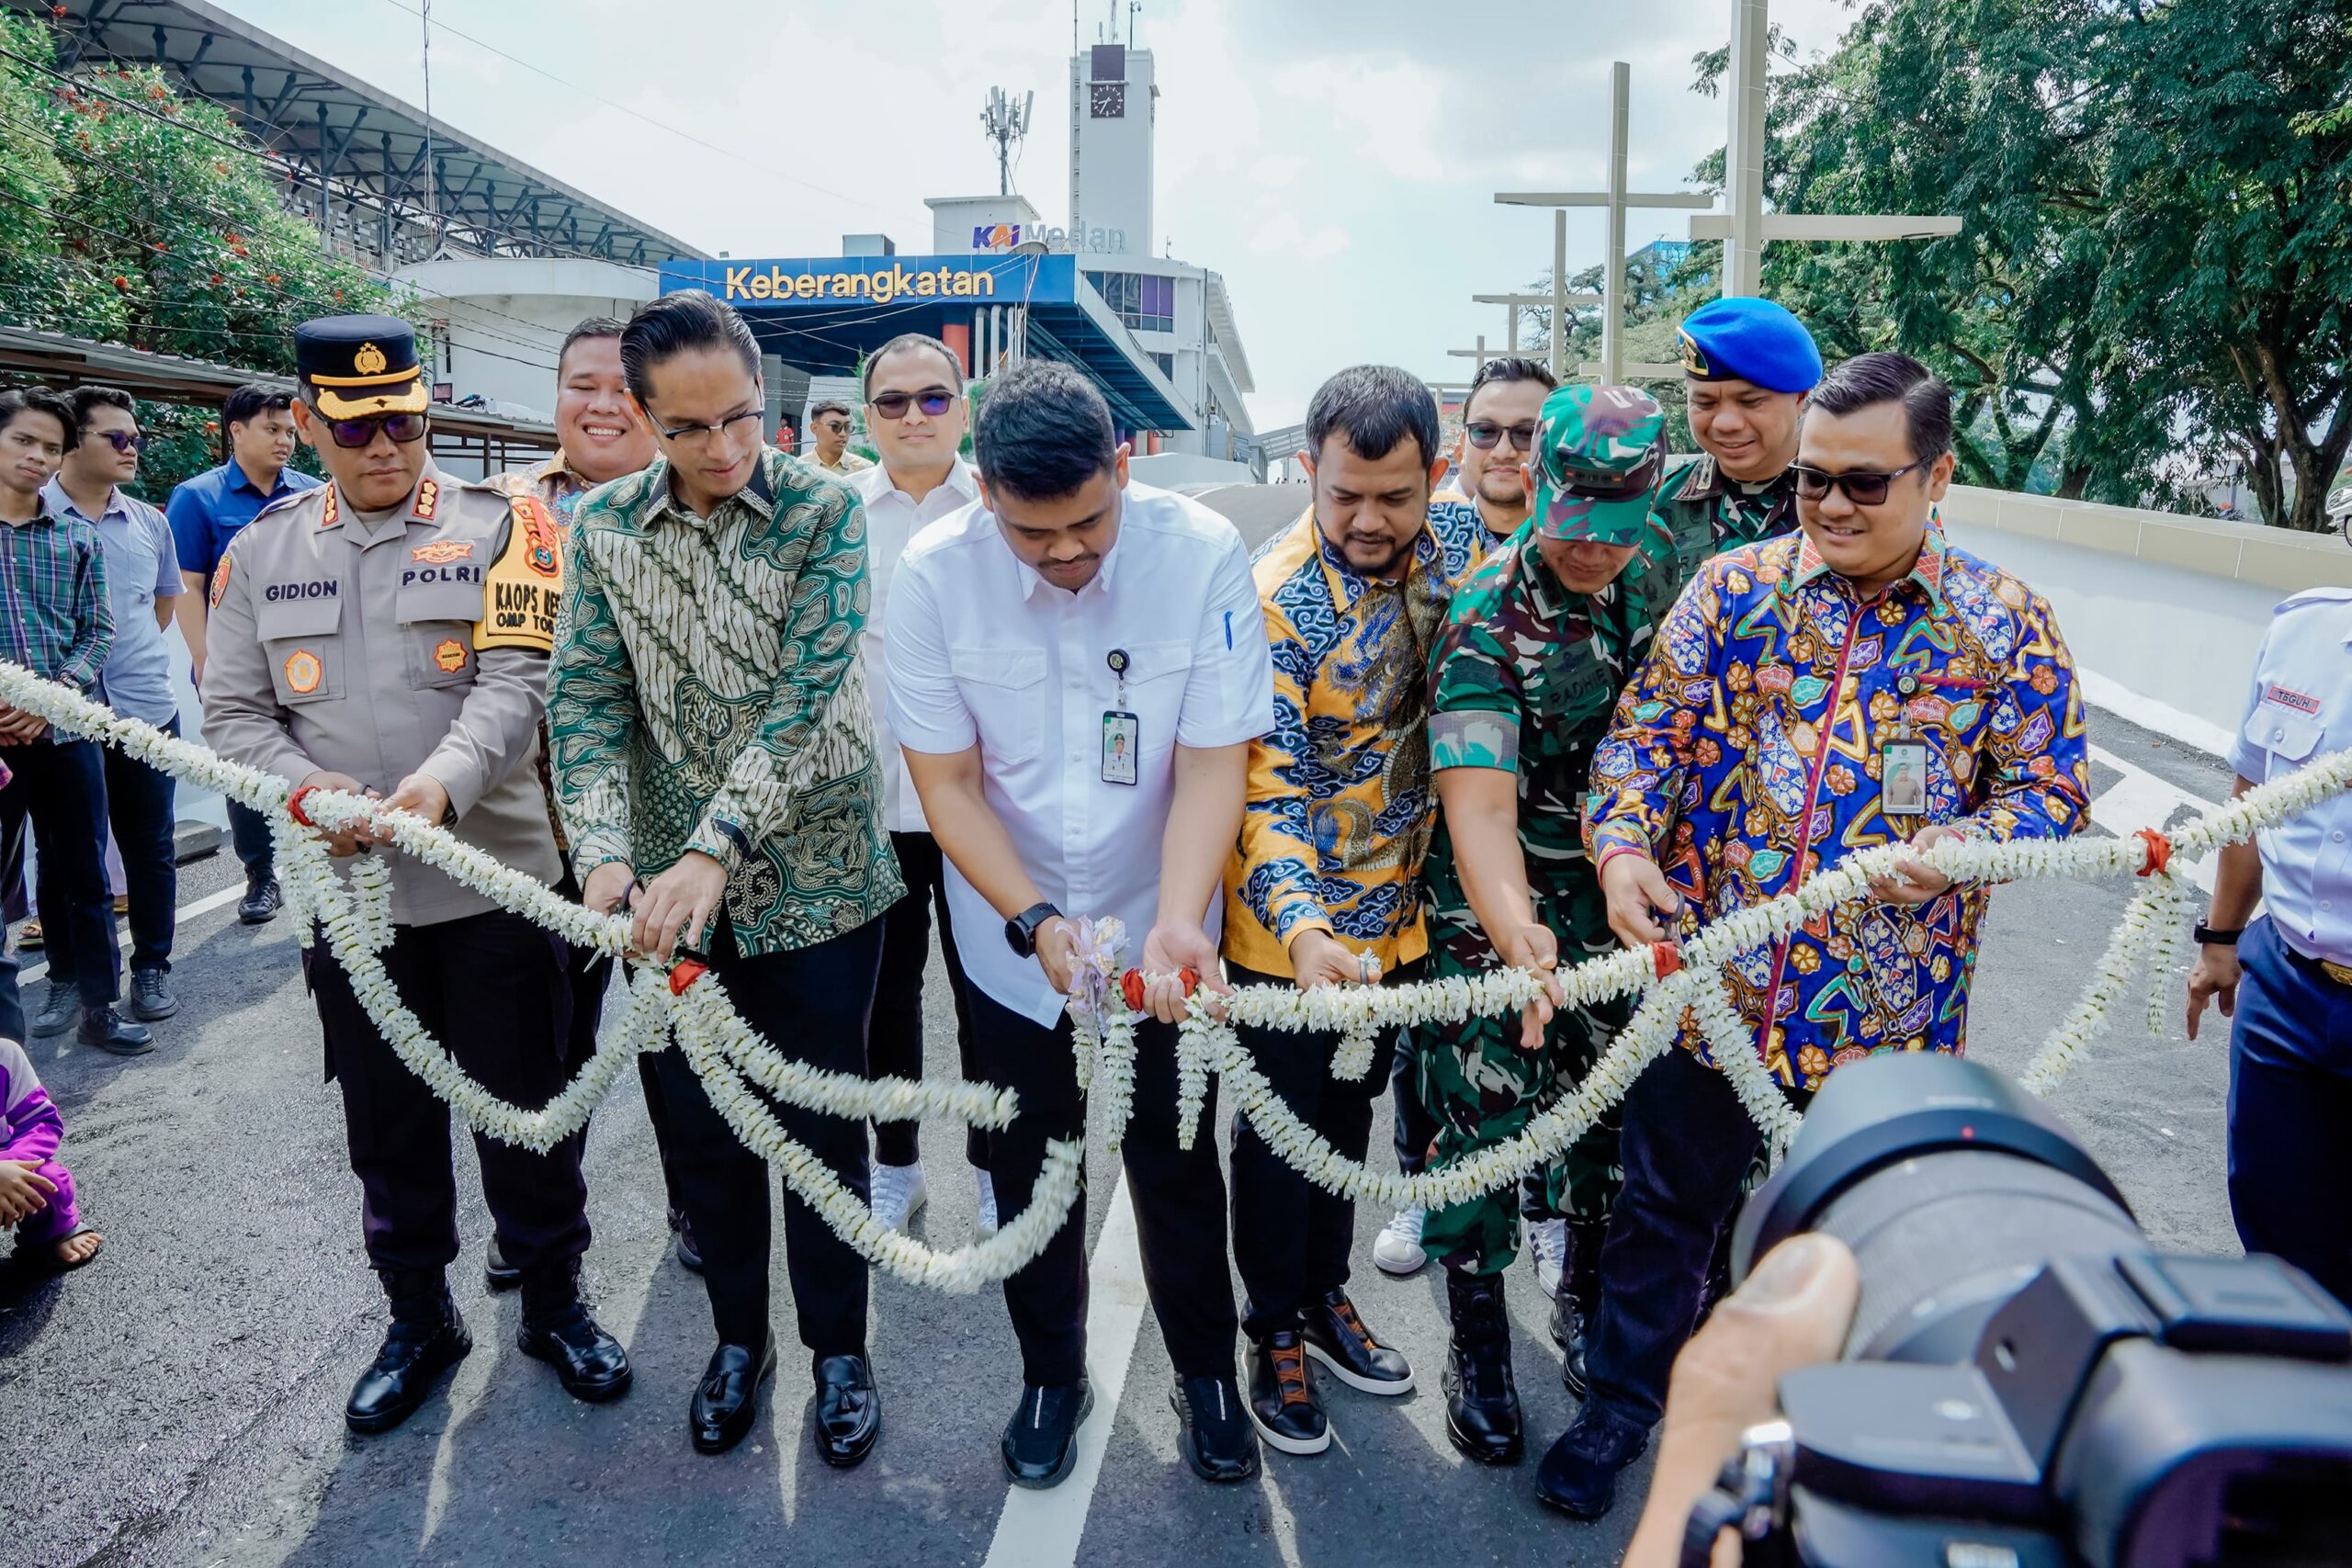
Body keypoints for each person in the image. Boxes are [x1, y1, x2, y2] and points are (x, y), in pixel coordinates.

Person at [1556, 352, 2091, 1518]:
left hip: (1885, 1023)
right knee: (1662, 1211)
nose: (1833, 507)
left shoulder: (2002, 624)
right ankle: (1621, 1409)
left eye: (1865, 483)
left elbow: (2053, 796)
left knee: (1849, 1245)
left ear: (1937, 474)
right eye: (1812, 484)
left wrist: (1967, 844)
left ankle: (1834, 1461)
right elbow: (1640, 741)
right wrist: (1625, 849)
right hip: (1711, 992)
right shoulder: (1732, 592)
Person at [202, 316, 629, 1435]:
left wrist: (435, 790)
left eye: (401, 418)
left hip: (492, 882)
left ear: (425, 413)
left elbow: (516, 684)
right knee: (386, 1129)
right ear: (307, 423)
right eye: (354, 425)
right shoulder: (264, 551)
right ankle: (419, 1318)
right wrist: (311, 794)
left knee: (525, 1113)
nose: (383, 443)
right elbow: (235, 716)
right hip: (350, 903)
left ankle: (551, 1303)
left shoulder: (510, 526)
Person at [886, 360, 1274, 1489]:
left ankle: (1207, 1375)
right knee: (1030, 1161)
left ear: (1123, 466)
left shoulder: (1198, 555)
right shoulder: (933, 574)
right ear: (986, 495)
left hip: (1162, 916)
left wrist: (1181, 921)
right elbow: (947, 784)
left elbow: (1212, 761)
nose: (1064, 555)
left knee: (1175, 1151)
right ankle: (1051, 1374)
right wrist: (1033, 920)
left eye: (1087, 527)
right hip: (1013, 933)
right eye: (1032, 534)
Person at [547, 290, 900, 1464]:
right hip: (659, 896)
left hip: (816, 875)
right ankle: (738, 1339)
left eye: (740, 418)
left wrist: (714, 846)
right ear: (641, 418)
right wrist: (602, 854)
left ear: (770, 396)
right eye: (688, 429)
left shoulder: (825, 509)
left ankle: (839, 1351)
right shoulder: (599, 526)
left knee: (818, 1124)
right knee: (699, 1131)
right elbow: (586, 699)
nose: (722, 449)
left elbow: (807, 700)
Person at [1411, 383, 1679, 1469]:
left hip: (1617, 890)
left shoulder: (1655, 566)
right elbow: (1476, 812)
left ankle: (1580, 1290)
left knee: (1606, 1118)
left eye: (1613, 536)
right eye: (1577, 529)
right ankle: (1476, 1341)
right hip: (1497, 896)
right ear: (1538, 482)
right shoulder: (1484, 614)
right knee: (1481, 1121)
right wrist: (1520, 936)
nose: (1592, 556)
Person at [1222, 365, 1481, 1456]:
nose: (1369, 522)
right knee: (1281, 1142)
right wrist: (1306, 932)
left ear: (1438, 474)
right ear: (1307, 474)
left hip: (1402, 926)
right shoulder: (1273, 600)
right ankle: (1270, 1328)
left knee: (1348, 1126)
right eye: (1344, 497)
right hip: (1290, 938)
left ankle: (1323, 1297)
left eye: (1395, 496)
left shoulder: (1460, 556)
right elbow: (1264, 787)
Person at [488, 316, 697, 1282]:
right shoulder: (493, 513)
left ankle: (698, 1202)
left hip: (663, 838)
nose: (603, 403)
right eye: (583, 384)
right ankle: (535, 1229)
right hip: (527, 834)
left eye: (624, 387)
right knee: (538, 1047)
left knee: (674, 1036)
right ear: (555, 397)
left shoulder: (706, 509)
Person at [1372, 355, 1562, 1285]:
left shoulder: (1593, 546)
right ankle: (1423, 1185)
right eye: (1485, 431)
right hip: (1429, 838)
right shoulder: (1424, 543)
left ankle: (1548, 1202)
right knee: (1435, 1036)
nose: (1504, 450)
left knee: (1553, 1031)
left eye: (1526, 433)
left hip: (1555, 839)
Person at [2187, 559, 2352, 1310]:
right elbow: (2251, 801)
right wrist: (2220, 938)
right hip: (2285, 986)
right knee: (2277, 1229)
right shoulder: (2302, 627)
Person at [850, 334, 988, 1234]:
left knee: (990, 996)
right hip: (872, 805)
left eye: (932, 399)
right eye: (893, 402)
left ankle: (990, 1166)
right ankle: (895, 1162)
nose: (913, 417)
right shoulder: (833, 517)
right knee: (881, 1003)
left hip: (981, 804)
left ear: (962, 411)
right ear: (868, 419)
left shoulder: (1000, 508)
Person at [0, 388, 148, 1056]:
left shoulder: (75, 538)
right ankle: (33, 1008)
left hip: (65, 733)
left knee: (83, 872)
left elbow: (98, 631)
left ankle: (98, 1003)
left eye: (50, 447)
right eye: (22, 441)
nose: (37, 456)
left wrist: (50, 697)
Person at [46, 387, 182, 1028]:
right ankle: (68, 976)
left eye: (136, 438)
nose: (133, 449)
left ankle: (152, 966)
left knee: (150, 844)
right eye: (117, 438)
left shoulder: (151, 522)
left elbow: (159, 609)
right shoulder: (28, 515)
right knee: (66, 850)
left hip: (145, 711)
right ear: (72, 441)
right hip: (59, 718)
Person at [167, 382, 323, 925]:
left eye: (289, 431)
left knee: (317, 756)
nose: (285, 441)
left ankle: (323, 867)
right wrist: (207, 658)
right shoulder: (197, 498)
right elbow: (188, 582)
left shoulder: (311, 491)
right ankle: (261, 874)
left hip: (309, 655)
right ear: (236, 431)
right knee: (248, 769)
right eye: (272, 430)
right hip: (238, 658)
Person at [1646, 297, 1822, 596]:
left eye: (1750, 402)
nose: (1726, 423)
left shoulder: (1844, 499)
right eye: (1705, 402)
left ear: (1799, 397)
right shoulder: (1659, 506)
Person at [0, 1033, 102, 1268]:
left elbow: (40, 1122)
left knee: (48, 1180)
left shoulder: (5, 1056)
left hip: (6, 1172)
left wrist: (11, 1164)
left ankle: (49, 1234)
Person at [808, 398, 872, 476]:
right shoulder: (798, 470)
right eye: (835, 426)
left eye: (847, 427)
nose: (843, 434)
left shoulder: (864, 469)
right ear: (815, 428)